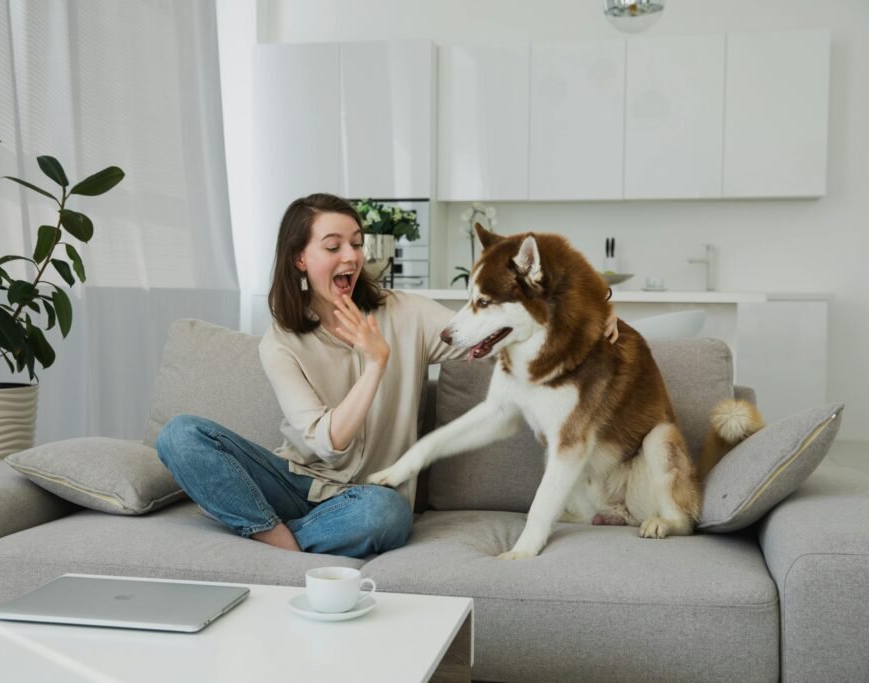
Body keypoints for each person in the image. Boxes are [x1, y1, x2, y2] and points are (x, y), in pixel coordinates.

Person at [157, 193, 618, 559]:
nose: (352, 256)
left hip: (367, 499)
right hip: (292, 482)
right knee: (180, 436)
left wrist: (597, 309)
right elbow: (325, 443)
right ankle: (277, 533)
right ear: (299, 258)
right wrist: (376, 364)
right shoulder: (279, 343)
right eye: (333, 246)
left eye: (356, 243)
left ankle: (273, 542)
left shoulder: (406, 313)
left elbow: (494, 325)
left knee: (386, 516)